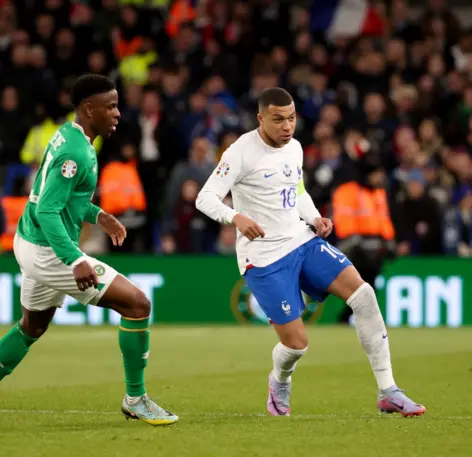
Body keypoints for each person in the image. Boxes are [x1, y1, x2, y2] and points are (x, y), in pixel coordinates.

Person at [195, 87, 425, 417]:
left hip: (302, 241)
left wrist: (314, 216)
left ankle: (388, 391)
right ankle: (279, 380)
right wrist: (236, 217)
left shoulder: (296, 148)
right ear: (261, 118)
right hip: (264, 258)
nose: (287, 126)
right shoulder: (240, 152)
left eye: (291, 119)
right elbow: (205, 198)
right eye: (278, 120)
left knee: (364, 295)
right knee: (296, 344)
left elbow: (296, 189)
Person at [0, 74, 178, 426]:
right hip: (48, 250)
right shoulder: (75, 151)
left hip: (32, 241)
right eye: (110, 106)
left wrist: (99, 215)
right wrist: (76, 259)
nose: (117, 113)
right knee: (138, 304)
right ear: (88, 108)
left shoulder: (72, 135)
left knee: (31, 327)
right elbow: (48, 210)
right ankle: (136, 398)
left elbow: (61, 198)